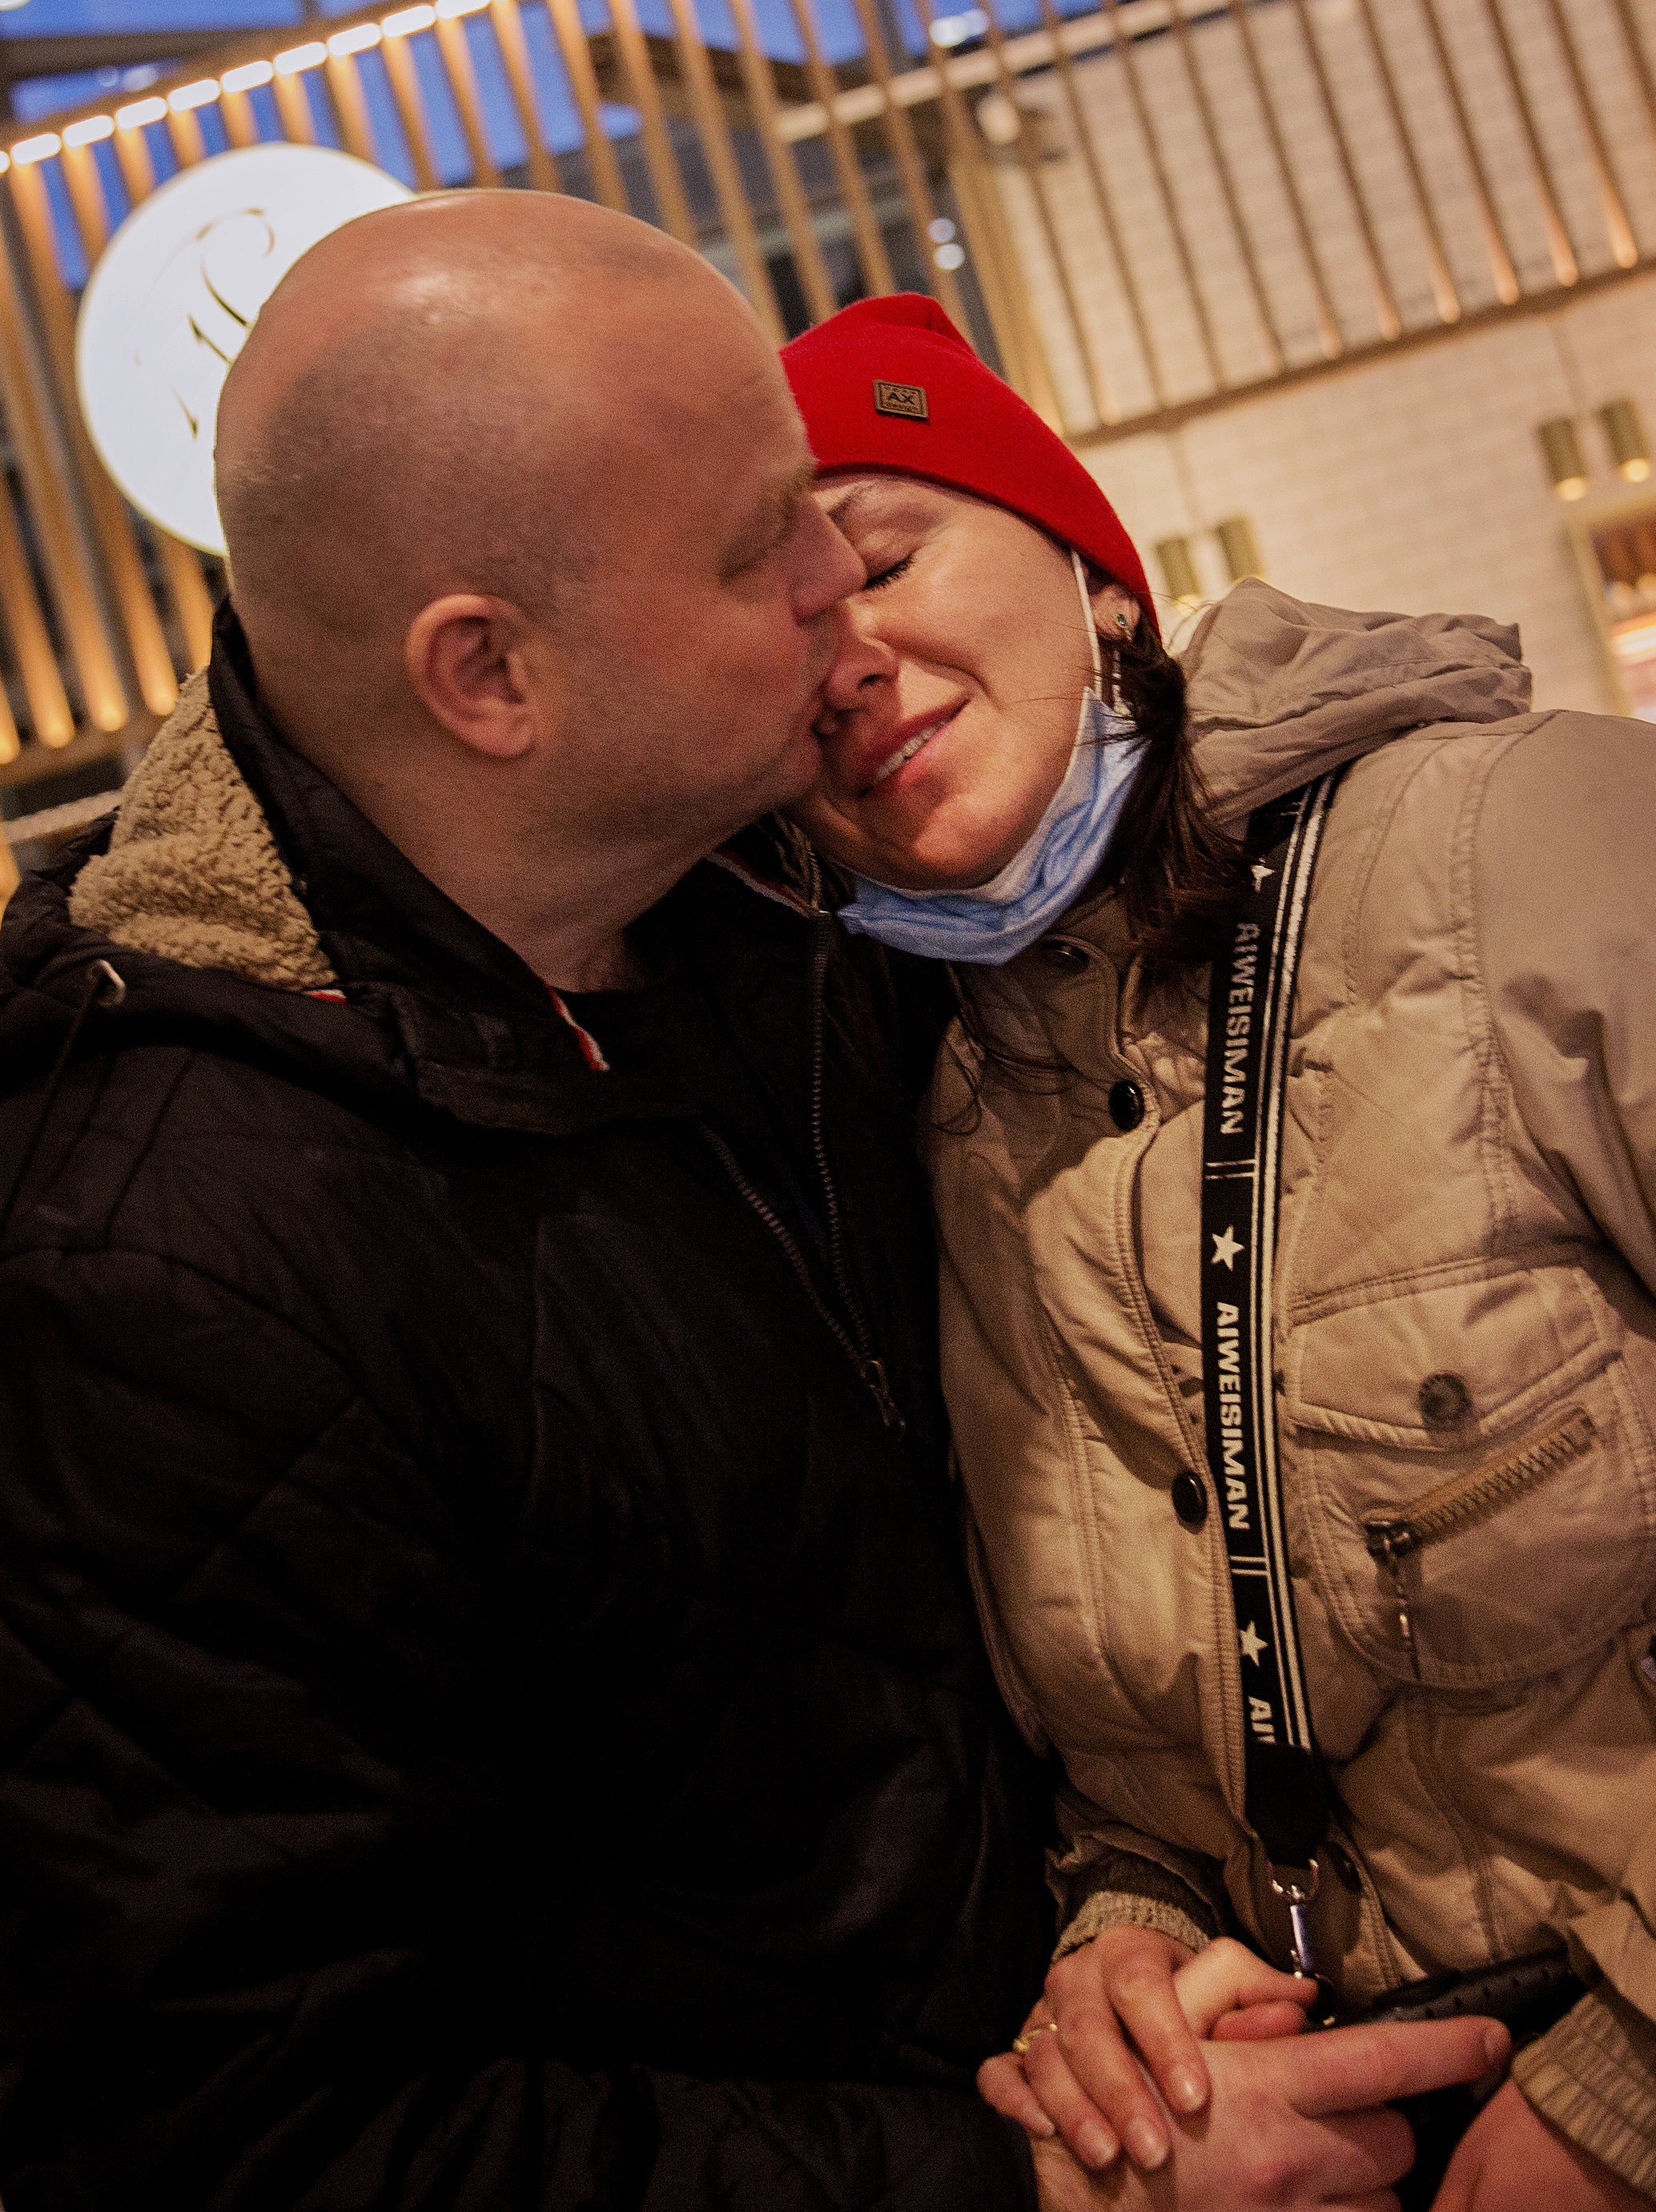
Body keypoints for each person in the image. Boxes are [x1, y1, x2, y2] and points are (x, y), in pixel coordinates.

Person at [0, 195, 1499, 2212]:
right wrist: (1029, 2186)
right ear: (489, 678)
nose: (837, 582)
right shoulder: (151, 1264)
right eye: (759, 544)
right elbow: (255, 2129)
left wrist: (1114, 1935)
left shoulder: (790, 922)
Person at [781, 292, 1656, 2210]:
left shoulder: (1522, 845)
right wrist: (1115, 1944)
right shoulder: (935, 1144)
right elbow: (1147, 1739)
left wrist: (1628, 2079)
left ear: (1093, 570)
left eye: (879, 557)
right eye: (776, 639)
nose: (840, 658)